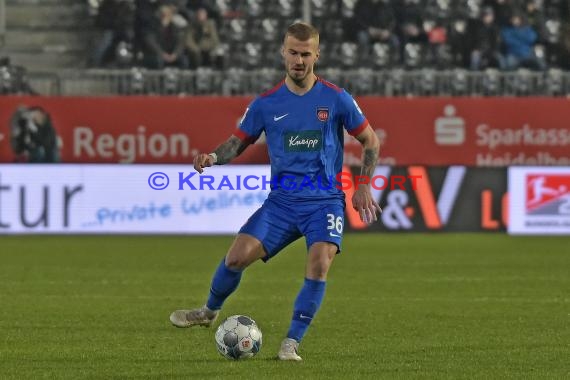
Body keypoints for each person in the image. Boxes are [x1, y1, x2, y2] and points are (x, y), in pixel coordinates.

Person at [169, 22, 381, 361]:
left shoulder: (336, 98)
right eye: (293, 53)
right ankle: (209, 312)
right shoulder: (266, 104)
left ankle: (291, 343)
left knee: (320, 263)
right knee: (236, 257)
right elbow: (238, 142)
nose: (299, 60)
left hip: (323, 203)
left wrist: (364, 185)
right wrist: (212, 157)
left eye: (306, 54)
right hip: (281, 203)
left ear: (317, 55)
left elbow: (370, 139)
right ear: (283, 53)